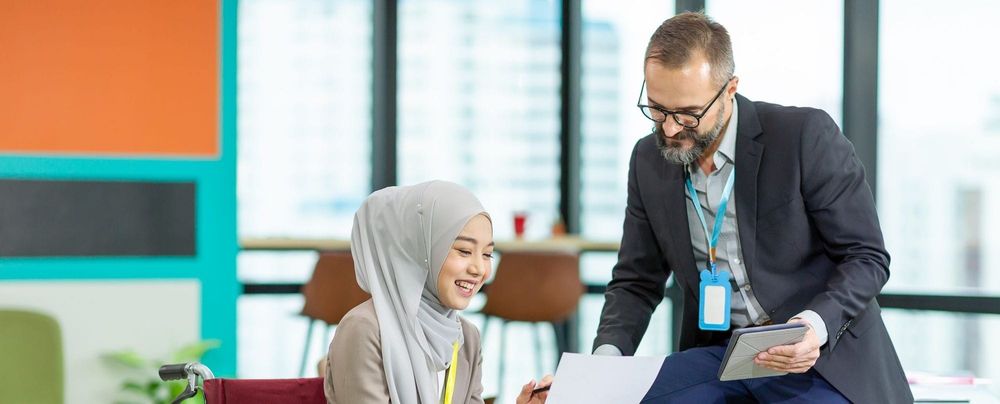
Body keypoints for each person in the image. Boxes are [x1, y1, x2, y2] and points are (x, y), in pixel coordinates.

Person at [592, 12, 912, 403]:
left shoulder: (803, 137)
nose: (670, 130)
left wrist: (813, 326)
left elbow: (867, 257)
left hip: (817, 357)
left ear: (729, 90)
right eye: (657, 110)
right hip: (721, 357)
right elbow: (635, 281)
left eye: (687, 114)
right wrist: (601, 368)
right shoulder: (647, 159)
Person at [324, 180, 552, 404]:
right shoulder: (364, 329)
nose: (479, 269)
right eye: (464, 251)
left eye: (487, 254)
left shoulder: (465, 337)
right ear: (417, 251)